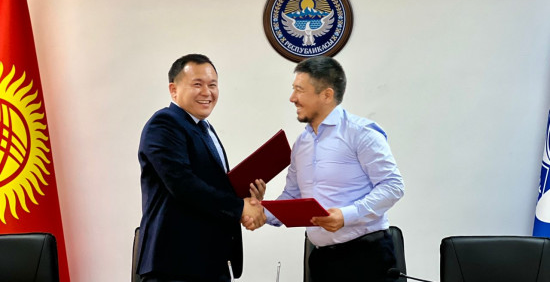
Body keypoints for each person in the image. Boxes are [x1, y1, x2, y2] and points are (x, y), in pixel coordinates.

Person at [266, 56, 405, 282]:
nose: (292, 98)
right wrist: (258, 212)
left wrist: (346, 215)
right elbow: (292, 195)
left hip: (366, 259)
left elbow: (393, 186)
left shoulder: (361, 133)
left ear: (327, 95)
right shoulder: (301, 143)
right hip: (321, 260)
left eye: (299, 90)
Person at [137, 54, 266, 282]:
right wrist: (240, 208)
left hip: (211, 262)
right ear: (173, 90)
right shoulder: (164, 124)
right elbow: (183, 185)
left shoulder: (205, 128)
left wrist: (247, 198)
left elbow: (210, 184)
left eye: (212, 85)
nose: (207, 92)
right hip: (175, 265)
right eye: (197, 84)